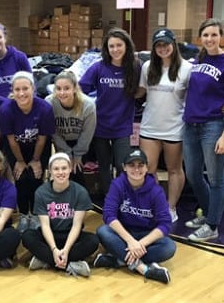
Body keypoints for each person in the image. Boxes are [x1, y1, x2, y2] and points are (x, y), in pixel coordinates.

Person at [183, 18, 224, 242]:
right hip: (190, 125)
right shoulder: (199, 59)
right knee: (193, 175)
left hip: (213, 126)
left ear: (221, 36)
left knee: (216, 178)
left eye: (214, 35)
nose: (209, 39)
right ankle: (208, 213)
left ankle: (213, 225)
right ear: (200, 37)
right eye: (205, 35)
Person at [94, 149, 175, 284]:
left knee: (169, 247)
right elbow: (108, 215)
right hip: (124, 234)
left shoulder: (156, 191)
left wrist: (140, 244)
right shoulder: (117, 185)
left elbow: (165, 224)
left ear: (147, 167)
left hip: (146, 236)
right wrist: (130, 241)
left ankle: (119, 260)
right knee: (103, 231)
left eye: (140, 165)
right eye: (132, 165)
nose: (136, 169)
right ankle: (143, 268)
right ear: (124, 167)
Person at [136, 29, 192, 223]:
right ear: (154, 48)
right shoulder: (147, 67)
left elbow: (197, 96)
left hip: (175, 127)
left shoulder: (186, 68)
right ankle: (156, 203)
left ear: (174, 44)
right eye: (158, 45)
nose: (163, 48)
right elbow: (139, 92)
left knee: (174, 169)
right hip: (150, 127)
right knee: (148, 170)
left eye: (166, 44)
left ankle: (171, 207)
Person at [79, 28, 140, 199]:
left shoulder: (135, 67)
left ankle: (123, 196)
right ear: (106, 48)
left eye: (119, 45)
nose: (115, 49)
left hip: (123, 126)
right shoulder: (99, 67)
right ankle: (109, 197)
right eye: (111, 46)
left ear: (126, 46)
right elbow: (81, 88)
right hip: (101, 125)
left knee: (123, 165)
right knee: (104, 165)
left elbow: (145, 87)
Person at [21, 153, 99, 277]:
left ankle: (46, 261)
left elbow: (76, 225)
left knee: (93, 241)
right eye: (56, 169)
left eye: (64, 168)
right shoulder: (41, 192)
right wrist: (54, 249)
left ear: (69, 169)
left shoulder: (80, 191)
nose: (60, 172)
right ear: (50, 171)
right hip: (50, 235)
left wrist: (66, 250)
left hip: (71, 235)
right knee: (27, 236)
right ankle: (70, 264)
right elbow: (45, 226)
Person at [0, 70, 55, 232]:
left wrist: (36, 160)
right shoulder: (6, 109)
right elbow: (10, 139)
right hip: (17, 148)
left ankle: (37, 214)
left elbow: (42, 138)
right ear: (12, 91)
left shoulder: (44, 108)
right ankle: (24, 215)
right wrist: (21, 161)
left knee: (36, 178)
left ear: (33, 88)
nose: (21, 93)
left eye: (25, 88)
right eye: (17, 90)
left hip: (38, 147)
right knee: (21, 179)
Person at [45, 69, 96, 186]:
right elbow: (54, 132)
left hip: (82, 141)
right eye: (58, 88)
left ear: (74, 88)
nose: (62, 92)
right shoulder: (49, 103)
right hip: (61, 142)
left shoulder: (88, 105)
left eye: (66, 88)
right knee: (63, 171)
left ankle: (82, 201)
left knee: (77, 171)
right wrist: (67, 153)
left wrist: (78, 155)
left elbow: (87, 132)